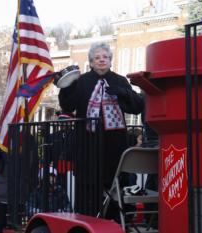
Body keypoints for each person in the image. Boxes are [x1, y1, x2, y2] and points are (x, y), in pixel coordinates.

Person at [58, 42, 144, 217]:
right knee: (88, 197)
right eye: (97, 58)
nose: (101, 60)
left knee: (114, 193)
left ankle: (114, 223)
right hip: (88, 146)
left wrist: (123, 92)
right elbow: (67, 106)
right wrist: (65, 88)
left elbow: (136, 107)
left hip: (114, 147)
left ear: (110, 61)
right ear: (91, 62)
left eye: (105, 57)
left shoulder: (120, 80)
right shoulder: (82, 81)